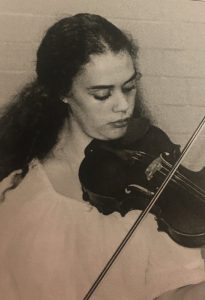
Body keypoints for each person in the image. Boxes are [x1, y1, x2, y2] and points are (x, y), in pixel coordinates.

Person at [0, 13, 204, 300]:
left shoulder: (150, 185)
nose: (123, 106)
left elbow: (174, 294)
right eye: (102, 94)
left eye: (129, 88)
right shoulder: (22, 202)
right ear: (63, 93)